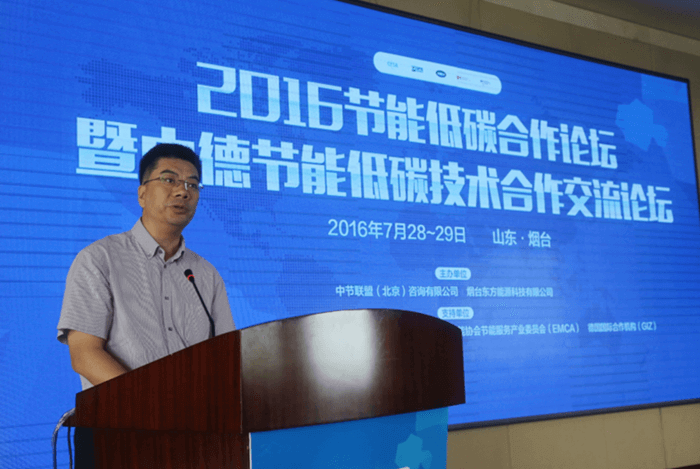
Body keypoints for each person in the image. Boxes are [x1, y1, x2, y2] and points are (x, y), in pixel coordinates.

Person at [57, 143, 235, 467]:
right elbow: (85, 354)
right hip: (116, 433)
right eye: (169, 180)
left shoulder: (206, 275)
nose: (182, 191)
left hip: (193, 436)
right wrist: (151, 408)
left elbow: (226, 358)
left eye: (192, 184)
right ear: (142, 194)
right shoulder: (99, 259)